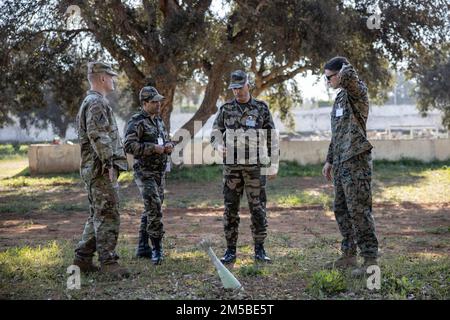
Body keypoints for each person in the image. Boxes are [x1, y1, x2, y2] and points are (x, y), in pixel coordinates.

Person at [211, 70, 277, 264]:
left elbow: (272, 137)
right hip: (232, 169)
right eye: (234, 88)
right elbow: (215, 132)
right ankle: (230, 250)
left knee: (257, 208)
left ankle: (259, 249)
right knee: (230, 209)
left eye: (240, 87)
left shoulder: (261, 108)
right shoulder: (225, 109)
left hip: (255, 168)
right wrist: (218, 145)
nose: (237, 91)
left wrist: (274, 164)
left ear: (248, 85)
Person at [322, 56, 379, 276]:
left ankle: (370, 261)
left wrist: (345, 67)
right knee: (342, 210)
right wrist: (329, 160)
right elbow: (337, 133)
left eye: (330, 77)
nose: (327, 82)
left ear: (341, 73)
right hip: (340, 163)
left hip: (356, 162)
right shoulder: (339, 99)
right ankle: (348, 256)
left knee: (359, 212)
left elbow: (350, 77)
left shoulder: (357, 92)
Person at [73, 61, 130, 278]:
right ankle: (109, 263)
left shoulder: (94, 101)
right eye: (112, 76)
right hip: (101, 170)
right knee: (108, 214)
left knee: (97, 214)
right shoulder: (96, 103)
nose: (114, 80)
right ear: (103, 78)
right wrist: (110, 163)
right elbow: (98, 135)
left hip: (95, 169)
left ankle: (82, 260)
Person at [124, 86, 174, 265]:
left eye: (159, 100)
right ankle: (157, 249)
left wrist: (168, 146)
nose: (159, 104)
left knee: (151, 207)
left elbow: (165, 139)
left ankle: (142, 247)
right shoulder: (136, 122)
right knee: (154, 208)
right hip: (144, 172)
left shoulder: (158, 121)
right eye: (154, 101)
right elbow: (129, 146)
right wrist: (153, 148)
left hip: (159, 172)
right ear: (145, 103)